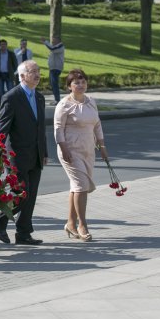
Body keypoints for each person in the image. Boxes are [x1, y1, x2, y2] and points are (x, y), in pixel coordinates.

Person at [0, 60, 48, 246]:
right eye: (33, 71)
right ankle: (0, 220)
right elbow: (2, 128)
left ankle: (23, 233)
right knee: (20, 194)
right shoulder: (12, 97)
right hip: (16, 156)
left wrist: (44, 152)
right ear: (22, 76)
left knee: (31, 197)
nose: (37, 74)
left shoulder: (39, 97)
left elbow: (41, 128)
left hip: (36, 155)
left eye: (38, 71)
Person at [54, 69, 108, 242]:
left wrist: (102, 145)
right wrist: (64, 148)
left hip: (88, 150)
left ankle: (70, 223)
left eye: (83, 81)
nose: (80, 85)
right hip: (70, 150)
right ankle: (82, 225)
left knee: (77, 187)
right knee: (81, 185)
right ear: (69, 86)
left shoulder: (91, 101)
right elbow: (58, 129)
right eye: (76, 82)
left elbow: (97, 124)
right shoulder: (64, 105)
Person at [43, 36, 65, 104]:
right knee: (53, 84)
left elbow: (52, 48)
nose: (52, 42)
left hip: (56, 68)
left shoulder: (60, 46)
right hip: (53, 68)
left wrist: (45, 42)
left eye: (54, 41)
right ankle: (56, 99)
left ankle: (57, 100)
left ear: (58, 40)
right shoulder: (56, 47)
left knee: (54, 84)